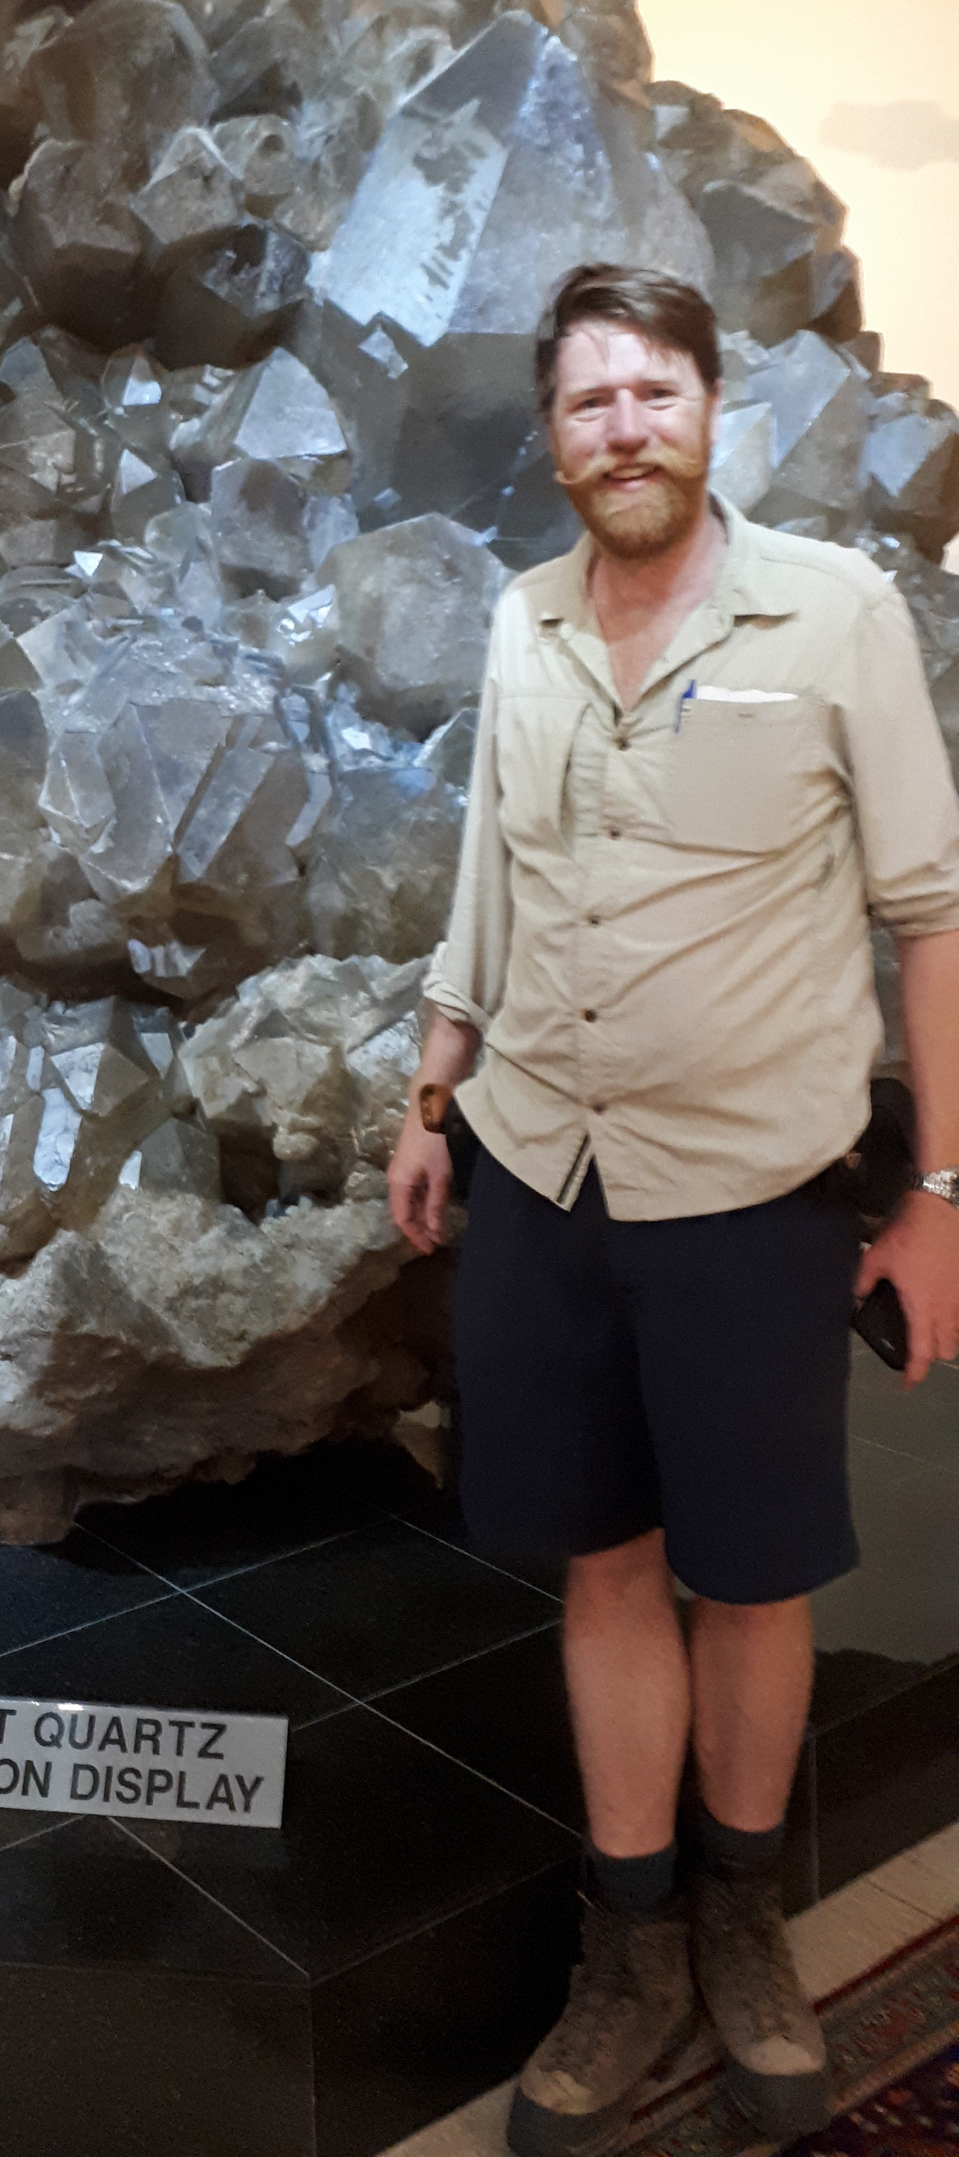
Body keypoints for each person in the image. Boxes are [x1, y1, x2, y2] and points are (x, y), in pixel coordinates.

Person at [387, 263, 959, 2157]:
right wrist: (434, 1087)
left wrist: (944, 1190)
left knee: (755, 1573)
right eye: (585, 405)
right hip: (545, 1169)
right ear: (551, 439)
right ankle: (627, 1943)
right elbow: (491, 863)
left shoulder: (841, 613)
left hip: (750, 1194)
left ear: (715, 412)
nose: (621, 431)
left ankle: (742, 1922)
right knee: (608, 1563)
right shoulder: (526, 618)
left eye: (652, 394)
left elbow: (932, 918)